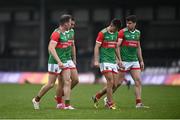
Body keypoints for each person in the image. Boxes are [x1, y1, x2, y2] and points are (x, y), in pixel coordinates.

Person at [32, 14, 74, 110]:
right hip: (55, 62)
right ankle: (36, 99)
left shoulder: (66, 33)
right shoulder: (56, 33)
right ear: (65, 23)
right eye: (70, 23)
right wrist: (58, 61)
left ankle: (67, 105)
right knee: (50, 84)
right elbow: (51, 48)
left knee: (68, 81)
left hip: (64, 61)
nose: (71, 24)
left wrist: (67, 59)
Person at [116, 15, 149, 108]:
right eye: (127, 23)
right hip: (124, 61)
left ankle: (138, 103)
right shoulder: (122, 32)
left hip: (134, 60)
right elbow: (117, 46)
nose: (128, 24)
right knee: (118, 83)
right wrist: (119, 60)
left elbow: (138, 47)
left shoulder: (138, 33)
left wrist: (141, 60)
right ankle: (108, 98)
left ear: (134, 24)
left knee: (138, 81)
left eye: (130, 23)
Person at [92, 18, 122, 109]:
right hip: (104, 61)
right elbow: (96, 47)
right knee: (110, 82)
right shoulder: (102, 33)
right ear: (111, 25)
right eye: (115, 29)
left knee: (116, 84)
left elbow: (116, 47)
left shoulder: (116, 33)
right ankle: (109, 103)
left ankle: (97, 96)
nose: (116, 31)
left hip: (113, 61)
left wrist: (119, 60)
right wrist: (96, 60)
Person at [55, 17, 79, 109]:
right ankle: (60, 102)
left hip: (69, 59)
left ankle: (60, 95)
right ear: (66, 24)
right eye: (71, 24)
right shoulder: (58, 32)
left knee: (76, 80)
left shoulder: (72, 32)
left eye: (73, 25)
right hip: (61, 59)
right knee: (62, 82)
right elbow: (53, 46)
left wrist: (74, 59)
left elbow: (73, 45)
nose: (72, 26)